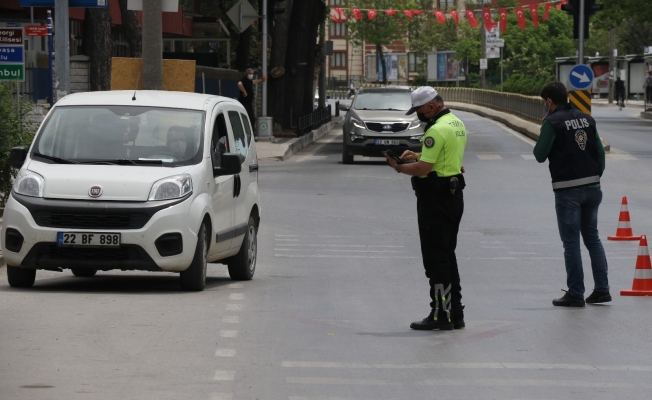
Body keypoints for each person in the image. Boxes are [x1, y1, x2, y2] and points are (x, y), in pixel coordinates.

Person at [384, 86, 467, 331]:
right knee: (448, 256)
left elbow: (424, 169)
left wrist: (397, 166)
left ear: (431, 106)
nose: (418, 114)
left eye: (419, 109)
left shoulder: (435, 129)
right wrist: (419, 154)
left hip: (436, 198)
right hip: (454, 196)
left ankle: (441, 314)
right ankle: (456, 313)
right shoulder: (456, 123)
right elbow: (445, 156)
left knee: (435, 260)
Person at [534, 81, 610, 307]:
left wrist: (544, 128)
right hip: (593, 188)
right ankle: (602, 290)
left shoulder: (552, 122)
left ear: (549, 101)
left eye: (544, 103)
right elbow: (599, 153)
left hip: (568, 191)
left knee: (571, 243)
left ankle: (576, 293)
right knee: (593, 239)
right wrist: (595, 178)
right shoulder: (587, 118)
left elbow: (539, 154)